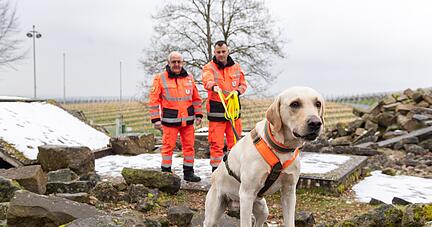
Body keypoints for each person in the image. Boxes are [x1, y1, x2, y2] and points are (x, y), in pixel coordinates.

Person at [148, 51, 203, 182]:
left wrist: (199, 114)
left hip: (188, 121)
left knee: (189, 147)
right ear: (168, 63)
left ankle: (189, 173)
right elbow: (153, 100)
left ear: (182, 63)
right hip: (169, 121)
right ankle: (166, 173)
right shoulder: (160, 78)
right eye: (174, 62)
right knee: (168, 147)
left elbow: (196, 98)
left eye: (179, 62)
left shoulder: (189, 77)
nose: (176, 64)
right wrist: (155, 119)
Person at [202, 40, 247, 172]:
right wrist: (213, 86)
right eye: (218, 52)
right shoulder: (209, 67)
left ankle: (233, 170)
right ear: (214, 53)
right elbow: (206, 80)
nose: (221, 54)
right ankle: (216, 171)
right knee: (216, 144)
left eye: (223, 51)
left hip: (233, 112)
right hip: (217, 111)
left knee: (235, 143)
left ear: (228, 51)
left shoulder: (237, 67)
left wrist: (238, 91)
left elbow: (243, 84)